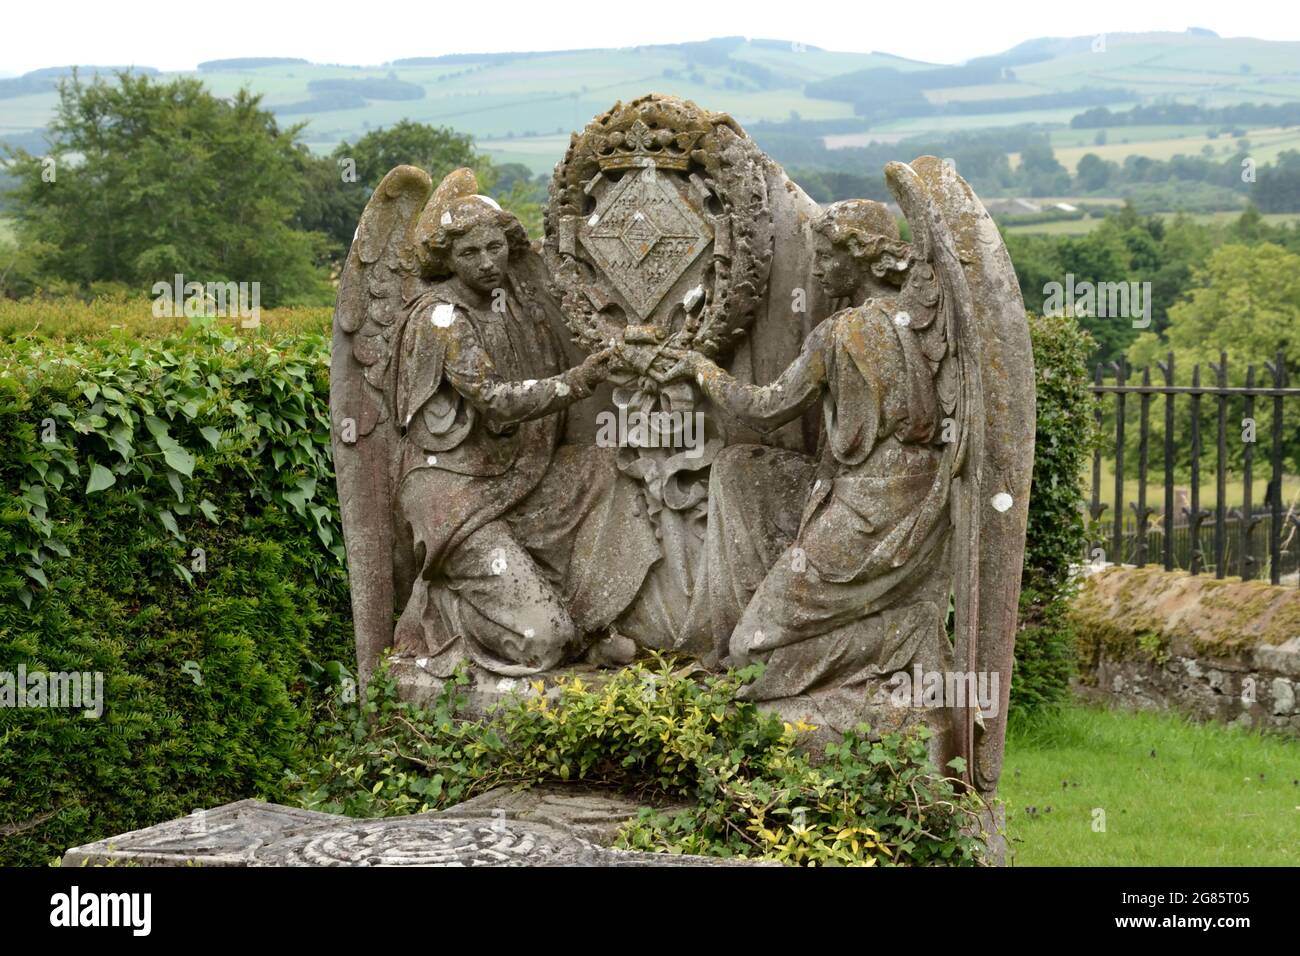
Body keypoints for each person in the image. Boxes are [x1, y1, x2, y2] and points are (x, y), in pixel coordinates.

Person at [669, 200, 956, 733]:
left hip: (869, 511)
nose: (819, 268)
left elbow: (766, 409)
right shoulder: (924, 322)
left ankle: (906, 634)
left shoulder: (843, 332)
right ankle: (890, 627)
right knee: (739, 469)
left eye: (827, 255)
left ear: (860, 255)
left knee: (750, 649)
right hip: (916, 502)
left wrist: (700, 370)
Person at [391, 189, 655, 676]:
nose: (487, 262)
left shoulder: (514, 304)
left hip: (514, 473)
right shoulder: (438, 317)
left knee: (607, 466)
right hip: (456, 493)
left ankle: (588, 614)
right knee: (541, 641)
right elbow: (494, 399)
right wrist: (577, 383)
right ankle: (445, 613)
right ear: (446, 258)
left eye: (495, 247)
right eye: (469, 252)